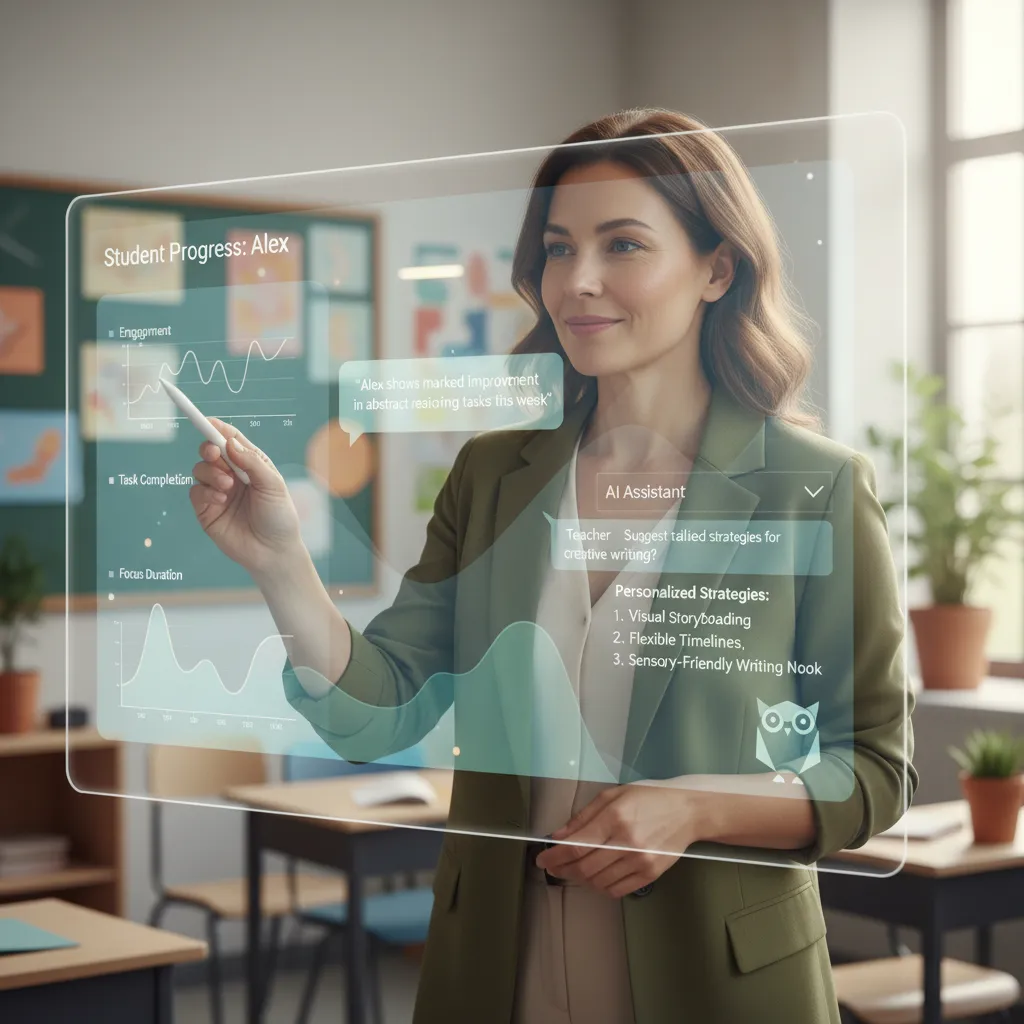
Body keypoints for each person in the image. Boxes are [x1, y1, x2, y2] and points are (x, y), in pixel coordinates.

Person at [189, 108, 915, 1023]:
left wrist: (696, 809)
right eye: (558, 248)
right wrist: (282, 562)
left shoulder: (814, 487)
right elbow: (379, 712)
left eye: (623, 245)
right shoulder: (494, 473)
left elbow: (875, 770)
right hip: (497, 971)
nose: (578, 281)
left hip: (719, 983)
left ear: (717, 270)